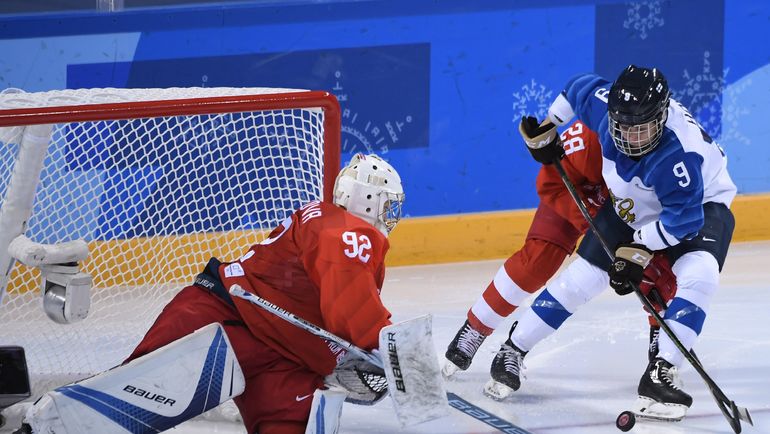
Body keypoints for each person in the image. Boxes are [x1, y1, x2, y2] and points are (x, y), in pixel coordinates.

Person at [15, 153, 405, 434]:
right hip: (224, 319)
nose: (391, 215)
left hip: (283, 354)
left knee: (291, 426)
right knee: (116, 407)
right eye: (389, 205)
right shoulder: (349, 233)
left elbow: (325, 306)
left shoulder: (330, 225)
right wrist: (388, 349)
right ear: (367, 199)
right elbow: (351, 306)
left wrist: (343, 356)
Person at [492, 65, 736, 419]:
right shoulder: (606, 108)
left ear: (662, 115)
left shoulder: (678, 157)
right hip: (635, 203)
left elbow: (682, 222)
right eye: (623, 126)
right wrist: (550, 125)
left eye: (642, 128)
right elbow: (577, 87)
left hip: (698, 206)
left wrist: (637, 249)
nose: (630, 137)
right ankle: (513, 348)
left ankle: (660, 371)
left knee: (700, 275)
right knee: (585, 276)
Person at [443, 119, 677, 400]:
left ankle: (660, 344)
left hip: (631, 215)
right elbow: (551, 184)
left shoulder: (673, 153)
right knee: (538, 262)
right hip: (580, 197)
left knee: (657, 270)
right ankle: (476, 327)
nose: (634, 137)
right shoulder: (589, 139)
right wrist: (592, 222)